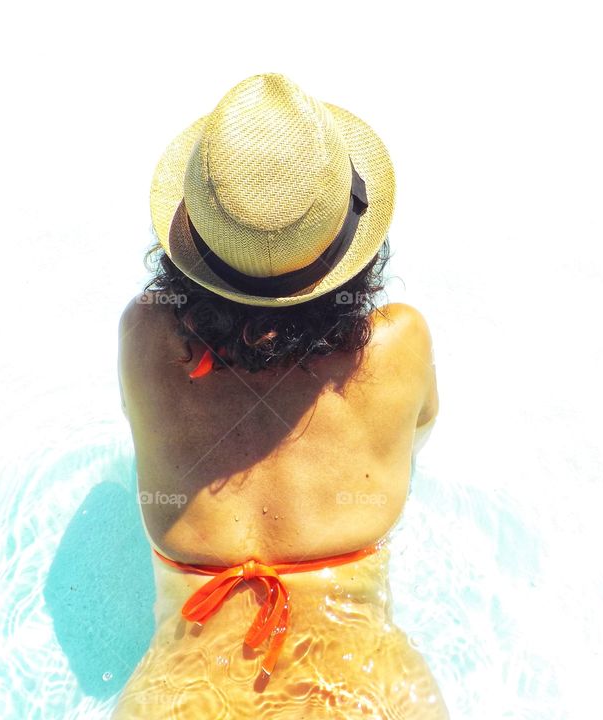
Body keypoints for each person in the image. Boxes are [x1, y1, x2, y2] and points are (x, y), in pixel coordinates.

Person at [115, 73, 447, 719]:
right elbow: (417, 438)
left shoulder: (146, 333)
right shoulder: (399, 343)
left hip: (181, 692)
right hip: (365, 688)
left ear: (191, 239)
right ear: (353, 239)